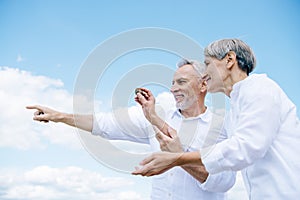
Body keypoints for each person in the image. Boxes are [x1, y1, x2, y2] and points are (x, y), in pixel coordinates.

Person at [27, 59, 235, 200]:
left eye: (182, 82)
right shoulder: (154, 116)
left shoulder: (222, 126)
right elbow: (104, 124)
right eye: (172, 83)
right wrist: (59, 116)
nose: (173, 88)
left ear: (203, 86)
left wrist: (178, 156)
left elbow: (223, 183)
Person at [132, 39, 300, 199]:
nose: (204, 74)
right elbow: (181, 139)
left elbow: (246, 147)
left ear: (229, 60)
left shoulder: (261, 89)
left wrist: (178, 158)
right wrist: (153, 117)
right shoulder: (235, 110)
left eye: (207, 64)